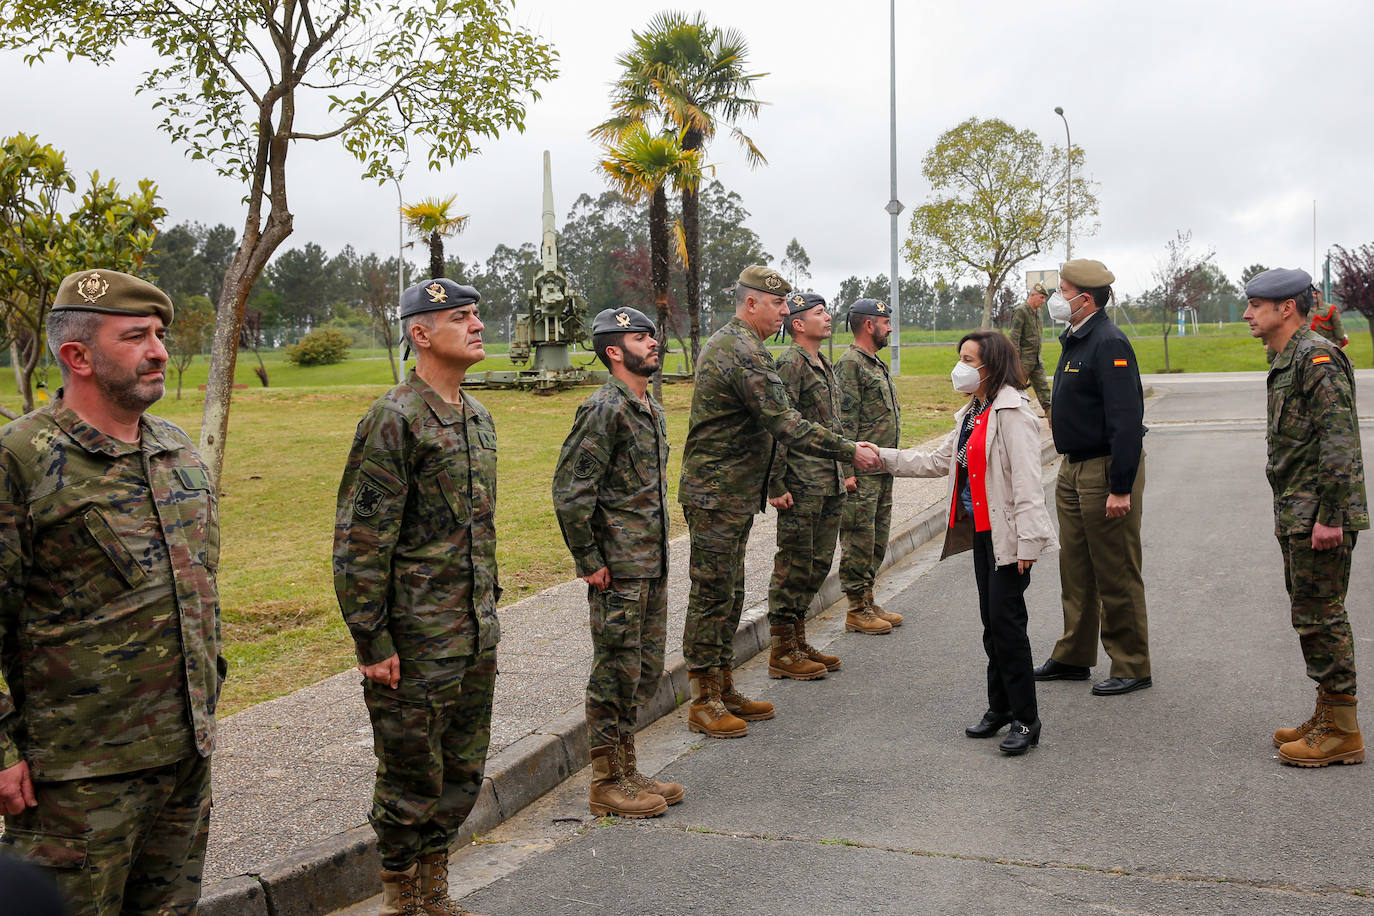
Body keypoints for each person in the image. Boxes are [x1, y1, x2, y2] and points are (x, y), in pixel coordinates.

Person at [0, 269, 223, 916]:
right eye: (136, 337)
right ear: (78, 357)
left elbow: (198, 587)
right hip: (77, 778)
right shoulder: (22, 459)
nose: (159, 349)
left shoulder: (175, 448)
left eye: (159, 334)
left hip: (185, 756)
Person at [335, 278, 498, 916]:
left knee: (461, 772)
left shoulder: (478, 417)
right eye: (461, 317)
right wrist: (372, 641)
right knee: (409, 777)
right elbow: (360, 541)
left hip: (473, 630)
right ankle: (403, 897)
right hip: (415, 641)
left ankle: (436, 892)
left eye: (477, 315)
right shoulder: (395, 418)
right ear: (421, 333)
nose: (478, 325)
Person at [679, 265, 883, 739]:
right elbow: (785, 422)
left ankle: (723, 685)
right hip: (716, 492)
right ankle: (703, 697)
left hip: (731, 491)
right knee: (712, 595)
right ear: (751, 303)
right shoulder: (740, 350)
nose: (784, 312)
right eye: (777, 304)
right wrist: (849, 450)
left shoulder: (745, 346)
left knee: (728, 593)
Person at [878, 331, 1056, 754]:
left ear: (990, 366)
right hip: (981, 533)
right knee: (991, 627)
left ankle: (1027, 720)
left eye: (967, 358)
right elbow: (940, 461)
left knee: (1009, 628)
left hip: (1009, 538)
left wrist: (1029, 544)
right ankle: (1000, 709)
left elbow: (1029, 485)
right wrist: (881, 457)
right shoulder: (974, 411)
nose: (959, 366)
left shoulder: (1013, 413)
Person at [553, 306, 683, 818]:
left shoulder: (649, 406)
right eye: (639, 336)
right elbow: (570, 491)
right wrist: (588, 558)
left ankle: (627, 767)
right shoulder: (604, 408)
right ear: (614, 351)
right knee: (613, 672)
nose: (652, 342)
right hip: (619, 568)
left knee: (643, 670)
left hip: (651, 563)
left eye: (652, 335)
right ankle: (605, 782)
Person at [1244, 268, 1368, 767]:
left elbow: (1339, 440)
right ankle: (1328, 711)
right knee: (1310, 615)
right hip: (1298, 510)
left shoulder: (1316, 358)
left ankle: (1343, 731)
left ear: (1285, 308)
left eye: (1256, 305)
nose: (1249, 314)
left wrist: (1330, 516)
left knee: (1323, 616)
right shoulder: (1284, 357)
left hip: (1318, 513)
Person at [1033, 259, 1152, 696]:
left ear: (1085, 299)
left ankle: (1131, 662)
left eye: (1062, 291)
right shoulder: (1076, 338)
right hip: (1074, 467)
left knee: (1115, 567)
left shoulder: (1109, 342)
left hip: (1105, 468)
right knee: (1076, 567)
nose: (1055, 299)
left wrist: (1121, 485)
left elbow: (1126, 419)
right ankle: (1074, 655)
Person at [765, 292, 847, 680]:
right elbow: (779, 427)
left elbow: (832, 425)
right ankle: (781, 650)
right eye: (819, 313)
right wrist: (777, 482)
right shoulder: (790, 363)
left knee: (818, 563)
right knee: (794, 563)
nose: (828, 317)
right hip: (800, 481)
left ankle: (797, 639)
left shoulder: (822, 362)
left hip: (827, 479)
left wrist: (844, 467)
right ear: (798, 323)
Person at [836, 298, 903, 635]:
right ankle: (855, 609)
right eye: (885, 321)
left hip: (882, 468)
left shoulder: (874, 363)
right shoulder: (850, 364)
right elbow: (844, 422)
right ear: (868, 325)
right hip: (861, 472)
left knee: (877, 538)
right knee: (859, 539)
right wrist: (846, 471)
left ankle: (868, 598)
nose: (889, 327)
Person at [1006, 282, 1052, 420]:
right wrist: (1015, 361)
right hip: (1023, 361)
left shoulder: (1037, 312)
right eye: (1041, 298)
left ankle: (1051, 417)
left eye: (1044, 298)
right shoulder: (1021, 311)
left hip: (1036, 359)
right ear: (1033, 295)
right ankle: (1009, 417)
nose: (1043, 301)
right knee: (1015, 389)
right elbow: (1014, 337)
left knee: (1043, 388)